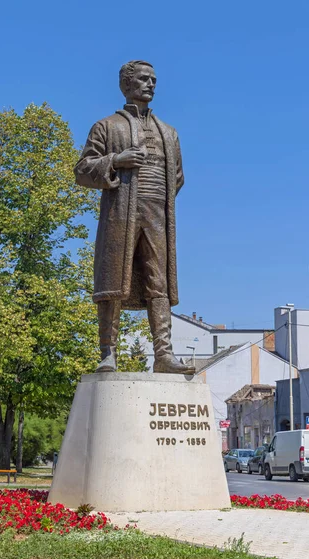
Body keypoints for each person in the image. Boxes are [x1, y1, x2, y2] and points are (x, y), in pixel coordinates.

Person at [74, 60, 195, 375]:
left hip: (157, 214)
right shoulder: (106, 126)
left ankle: (164, 355)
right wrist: (116, 160)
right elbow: (83, 170)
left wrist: (158, 201)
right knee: (114, 281)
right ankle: (107, 354)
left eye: (154, 79)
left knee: (159, 282)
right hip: (121, 214)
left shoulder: (169, 133)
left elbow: (177, 178)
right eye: (143, 79)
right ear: (126, 85)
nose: (151, 84)